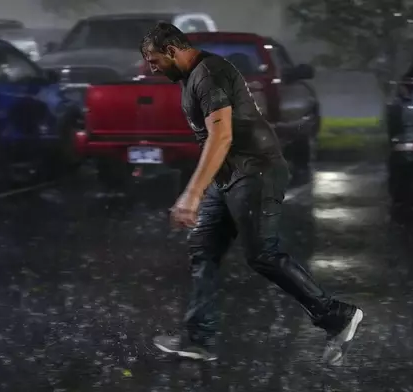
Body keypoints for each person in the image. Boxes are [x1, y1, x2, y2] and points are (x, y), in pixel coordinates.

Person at [139, 23, 363, 365]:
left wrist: (191, 193)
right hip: (229, 174)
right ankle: (197, 339)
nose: (151, 68)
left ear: (171, 51)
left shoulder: (209, 74)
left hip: (255, 171)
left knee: (263, 255)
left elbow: (221, 137)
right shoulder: (193, 76)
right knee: (203, 248)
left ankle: (338, 316)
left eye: (153, 60)